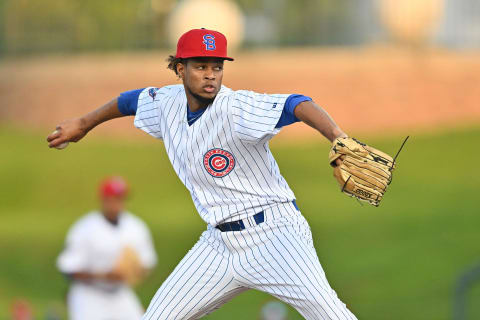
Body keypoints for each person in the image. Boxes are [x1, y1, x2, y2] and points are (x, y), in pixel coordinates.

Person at [48, 28, 357, 320]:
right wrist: (84, 123)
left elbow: (295, 104)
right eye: (200, 66)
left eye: (217, 66)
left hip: (274, 235)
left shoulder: (236, 107)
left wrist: (336, 135)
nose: (210, 74)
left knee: (329, 312)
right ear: (180, 69)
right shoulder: (166, 102)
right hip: (218, 244)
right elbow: (130, 101)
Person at [56, 177, 158, 320]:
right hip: (88, 295)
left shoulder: (136, 226)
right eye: (113, 199)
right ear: (103, 199)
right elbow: (69, 269)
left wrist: (133, 271)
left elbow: (148, 263)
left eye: (120, 198)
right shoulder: (85, 228)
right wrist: (104, 276)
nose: (117, 204)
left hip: (120, 292)